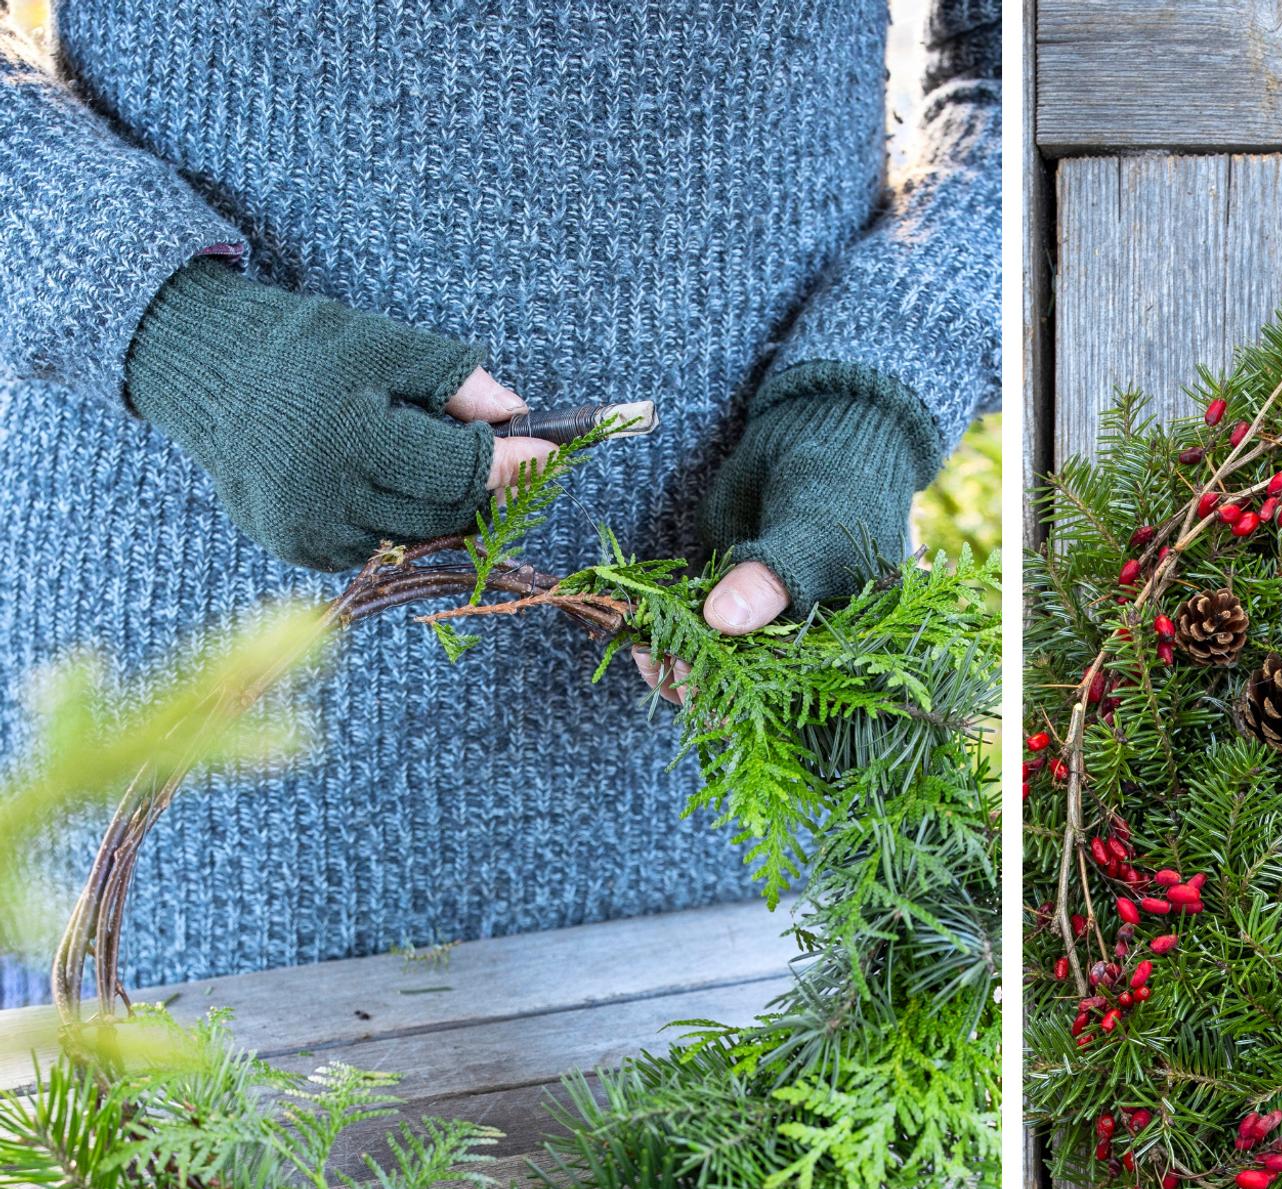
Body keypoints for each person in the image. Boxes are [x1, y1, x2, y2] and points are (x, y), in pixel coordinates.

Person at [0, 2, 998, 997]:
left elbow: (1045, 69)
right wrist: (173, 329)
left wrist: (882, 379)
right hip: (181, 770)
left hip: (738, 768)